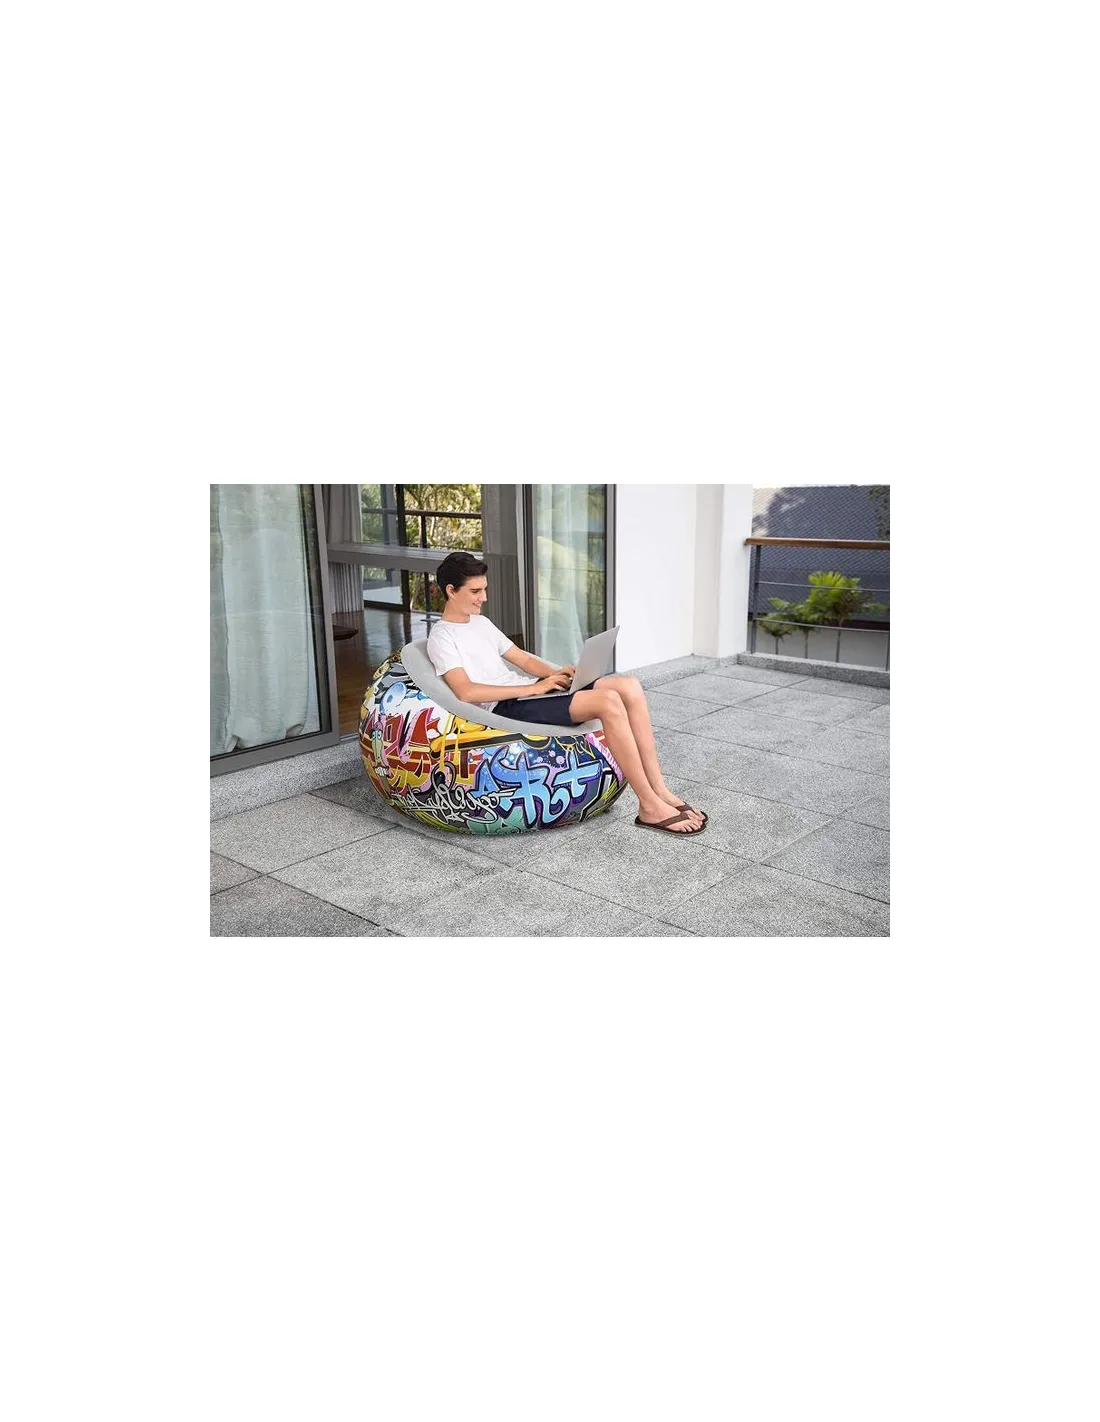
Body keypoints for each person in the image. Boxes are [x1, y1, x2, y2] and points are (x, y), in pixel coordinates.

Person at [425, 551, 707, 834]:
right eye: (475, 591)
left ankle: (660, 790)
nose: (483, 597)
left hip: (527, 692)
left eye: (484, 589)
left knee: (629, 685)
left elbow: (522, 659)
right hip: (504, 706)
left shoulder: (481, 623)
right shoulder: (442, 637)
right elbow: (466, 691)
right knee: (608, 701)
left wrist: (556, 673)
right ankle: (649, 805)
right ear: (451, 590)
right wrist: (534, 687)